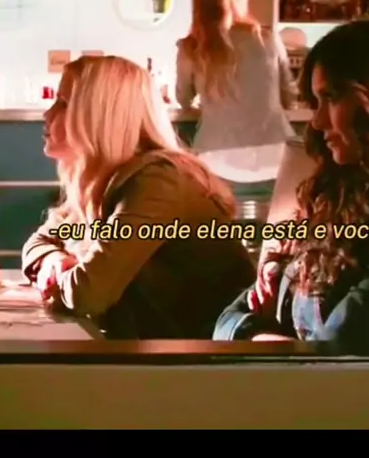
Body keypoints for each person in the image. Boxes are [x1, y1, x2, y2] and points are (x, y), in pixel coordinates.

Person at [214, 14, 369, 354]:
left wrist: (259, 336)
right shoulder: (338, 203)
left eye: (330, 98)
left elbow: (334, 362)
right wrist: (260, 331)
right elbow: (226, 322)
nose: (317, 122)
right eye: (316, 103)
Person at [21, 55, 254, 339]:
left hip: (208, 354)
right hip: (152, 345)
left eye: (63, 103)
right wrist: (55, 261)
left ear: (99, 117)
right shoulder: (100, 177)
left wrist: (58, 278)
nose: (47, 114)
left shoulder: (157, 181)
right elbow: (37, 244)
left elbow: (88, 294)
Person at [175, 0, 295, 154]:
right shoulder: (268, 38)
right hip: (274, 148)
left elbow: (183, 99)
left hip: (218, 151)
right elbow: (288, 95)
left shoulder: (192, 47)